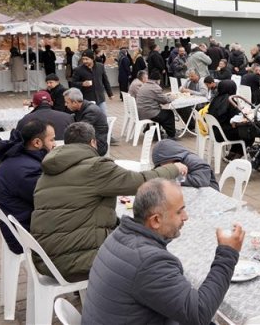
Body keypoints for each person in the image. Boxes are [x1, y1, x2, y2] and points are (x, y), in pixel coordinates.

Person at [32, 122, 187, 281]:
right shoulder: (95, 167)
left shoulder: (49, 171)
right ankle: (165, 283)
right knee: (146, 248)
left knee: (129, 229)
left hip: (46, 257)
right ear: (93, 142)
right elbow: (141, 182)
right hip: (74, 262)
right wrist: (174, 168)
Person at [81, 179, 243, 323]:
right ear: (156, 220)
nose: (185, 217)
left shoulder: (119, 235)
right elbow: (199, 313)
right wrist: (227, 253)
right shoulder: (149, 262)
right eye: (179, 211)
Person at [0, 120, 55, 254]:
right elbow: (49, 201)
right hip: (24, 236)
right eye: (52, 140)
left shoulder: (19, 157)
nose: (55, 144)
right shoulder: (27, 171)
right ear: (37, 143)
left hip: (19, 224)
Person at [151, 139, 219, 189]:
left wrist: (174, 178)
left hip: (210, 193)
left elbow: (201, 180)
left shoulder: (195, 162)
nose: (162, 166)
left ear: (172, 157)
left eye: (163, 163)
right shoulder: (173, 161)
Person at [63, 88, 110, 156]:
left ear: (75, 102)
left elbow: (79, 131)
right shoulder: (81, 108)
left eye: (67, 102)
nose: (65, 104)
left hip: (97, 145)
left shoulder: (91, 111)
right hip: (88, 141)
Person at [136, 70, 177, 139]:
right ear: (158, 80)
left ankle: (155, 131)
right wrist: (173, 97)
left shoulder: (144, 85)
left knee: (162, 112)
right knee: (169, 114)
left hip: (141, 111)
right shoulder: (155, 87)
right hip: (149, 113)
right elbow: (165, 101)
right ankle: (171, 135)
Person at [71, 50, 114, 114]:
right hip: (87, 100)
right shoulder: (78, 70)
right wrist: (82, 84)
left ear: (92, 58)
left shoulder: (100, 66)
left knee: (103, 116)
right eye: (83, 59)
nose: (84, 61)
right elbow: (73, 83)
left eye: (86, 59)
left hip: (100, 98)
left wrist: (110, 94)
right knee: (91, 117)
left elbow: (105, 81)